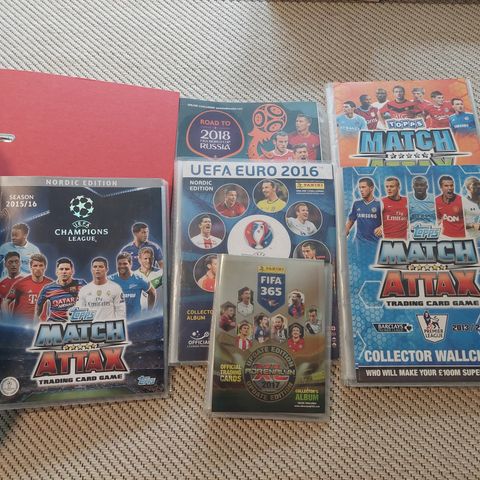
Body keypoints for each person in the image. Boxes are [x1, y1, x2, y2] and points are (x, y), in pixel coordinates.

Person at [36, 258, 86, 322]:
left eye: (67, 269)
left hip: (75, 322)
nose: (64, 272)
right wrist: (36, 321)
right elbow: (39, 306)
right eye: (61, 269)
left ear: (72, 271)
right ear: (57, 272)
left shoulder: (81, 284)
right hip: (55, 323)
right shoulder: (48, 288)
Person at [109, 252, 155, 320]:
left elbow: (152, 293)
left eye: (125, 263)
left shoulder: (139, 279)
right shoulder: (110, 280)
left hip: (135, 321)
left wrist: (149, 312)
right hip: (118, 321)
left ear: (130, 264)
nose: (122, 266)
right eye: (119, 264)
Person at [4, 253, 52, 319]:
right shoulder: (20, 283)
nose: (38, 268)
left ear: (45, 267)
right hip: (21, 322)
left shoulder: (50, 284)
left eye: (41, 265)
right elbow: (6, 302)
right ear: (30, 267)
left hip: (39, 323)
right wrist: (8, 319)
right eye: (35, 266)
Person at [345, 177, 382, 243]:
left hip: (375, 242)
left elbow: (387, 221)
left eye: (363, 187)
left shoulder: (380, 204)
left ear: (371, 188)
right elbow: (351, 220)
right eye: (360, 188)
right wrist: (346, 229)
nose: (361, 190)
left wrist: (382, 227)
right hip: (359, 241)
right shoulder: (357, 204)